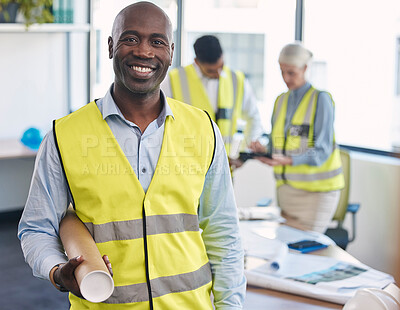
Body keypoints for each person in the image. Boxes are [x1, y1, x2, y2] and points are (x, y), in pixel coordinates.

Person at [18, 2, 246, 309]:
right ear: (111, 46)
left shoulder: (204, 130)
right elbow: (37, 228)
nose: (144, 52)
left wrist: (231, 306)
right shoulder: (64, 136)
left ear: (171, 52)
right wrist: (58, 272)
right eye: (130, 39)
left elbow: (224, 233)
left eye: (157, 42)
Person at [252, 42, 344, 233]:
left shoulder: (321, 100)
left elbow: (322, 150)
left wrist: (290, 160)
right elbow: (280, 141)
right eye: (282, 71)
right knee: (287, 250)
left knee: (309, 249)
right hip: (286, 192)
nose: (286, 78)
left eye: (291, 72)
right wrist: (265, 149)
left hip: (316, 195)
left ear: (305, 68)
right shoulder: (280, 100)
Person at [161, 35, 265, 168]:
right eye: (211, 70)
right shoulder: (173, 80)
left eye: (221, 66)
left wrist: (244, 154)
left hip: (224, 168)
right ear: (196, 62)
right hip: (186, 168)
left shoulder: (237, 80)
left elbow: (254, 118)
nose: (218, 73)